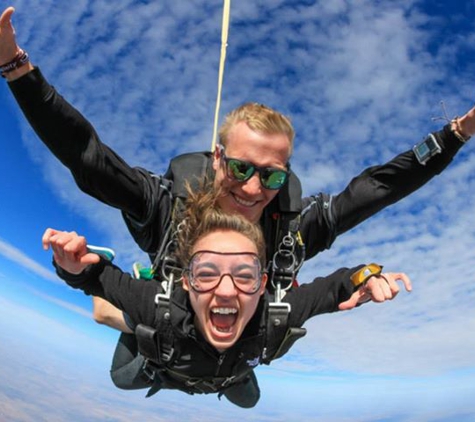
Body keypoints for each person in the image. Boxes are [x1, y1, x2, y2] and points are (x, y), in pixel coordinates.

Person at [43, 185, 412, 408]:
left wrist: (364, 276)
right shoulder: (162, 308)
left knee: (250, 401)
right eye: (206, 273)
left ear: (263, 281)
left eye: (244, 274)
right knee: (118, 365)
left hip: (228, 375)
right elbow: (101, 281)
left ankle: (226, 371)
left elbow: (331, 289)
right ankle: (144, 311)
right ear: (186, 281)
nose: (224, 288)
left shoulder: (274, 312)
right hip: (165, 358)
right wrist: (77, 267)